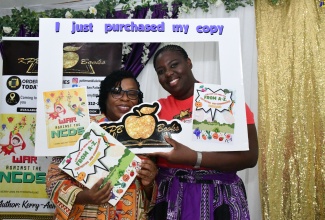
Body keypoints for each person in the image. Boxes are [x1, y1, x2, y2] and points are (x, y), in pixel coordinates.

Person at [149, 45, 259, 220]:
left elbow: (250, 157)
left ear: (189, 63)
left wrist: (194, 157)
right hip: (170, 200)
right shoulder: (155, 111)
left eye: (174, 65)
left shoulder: (222, 101)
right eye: (161, 71)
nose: (168, 73)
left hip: (219, 198)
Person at [46, 70, 158, 220]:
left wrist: (150, 184)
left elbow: (151, 197)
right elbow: (53, 181)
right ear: (104, 96)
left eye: (132, 93)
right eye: (116, 92)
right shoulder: (81, 129)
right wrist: (84, 196)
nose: (125, 98)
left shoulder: (147, 137)